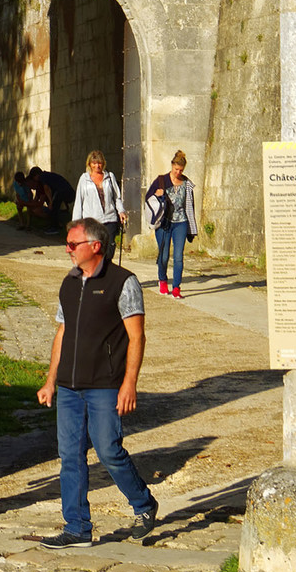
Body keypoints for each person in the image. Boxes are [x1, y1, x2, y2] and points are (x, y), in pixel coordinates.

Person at [35, 216, 158, 546]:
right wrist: (50, 380)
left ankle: (144, 505)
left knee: (108, 450)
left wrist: (129, 383)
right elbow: (62, 332)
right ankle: (77, 528)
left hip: (105, 384)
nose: (68, 249)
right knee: (70, 456)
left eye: (73, 244)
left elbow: (136, 337)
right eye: (67, 243)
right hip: (69, 387)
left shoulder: (123, 282)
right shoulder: (69, 283)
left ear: (95, 246)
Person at [144, 150, 199, 297]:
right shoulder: (161, 181)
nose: (178, 172)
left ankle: (176, 288)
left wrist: (191, 228)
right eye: (176, 169)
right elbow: (148, 198)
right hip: (164, 223)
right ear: (172, 166)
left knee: (179, 256)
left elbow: (190, 206)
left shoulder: (187, 184)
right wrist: (157, 194)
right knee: (164, 255)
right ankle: (162, 280)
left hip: (181, 222)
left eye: (181, 170)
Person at [72, 150, 125, 243]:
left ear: (103, 163)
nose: (97, 166)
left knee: (109, 251)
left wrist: (121, 211)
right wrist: (76, 225)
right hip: (92, 222)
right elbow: (78, 202)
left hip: (110, 219)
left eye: (99, 163)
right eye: (94, 163)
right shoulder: (84, 179)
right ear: (89, 164)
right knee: (97, 251)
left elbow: (117, 197)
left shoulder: (110, 177)